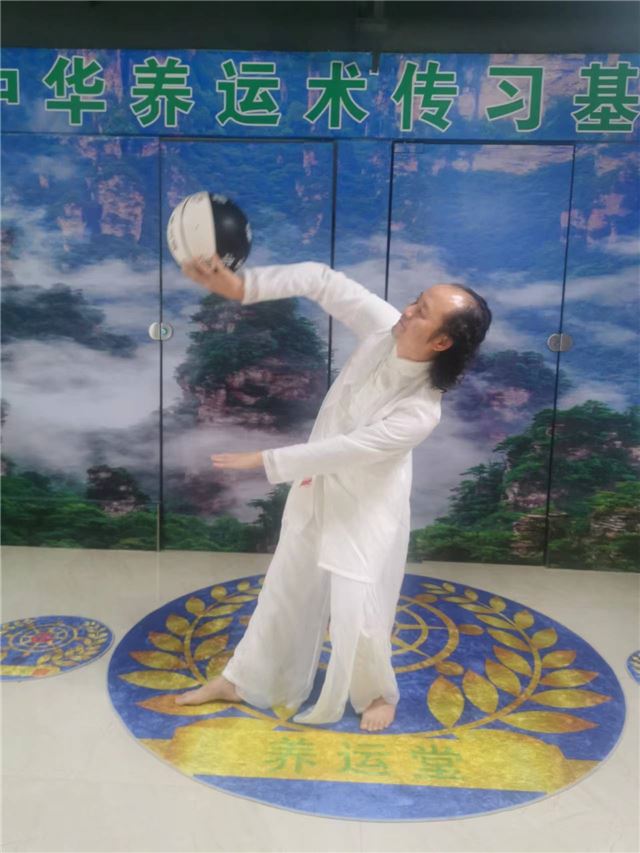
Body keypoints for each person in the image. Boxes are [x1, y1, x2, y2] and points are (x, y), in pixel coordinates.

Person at [175, 254, 491, 731]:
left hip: (366, 506)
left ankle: (375, 693)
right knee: (285, 586)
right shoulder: (384, 328)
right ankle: (242, 679)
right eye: (416, 300)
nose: (407, 310)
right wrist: (242, 287)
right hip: (316, 484)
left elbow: (347, 451)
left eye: (422, 312)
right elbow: (319, 279)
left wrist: (263, 461)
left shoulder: (420, 411)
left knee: (360, 605)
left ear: (442, 341)